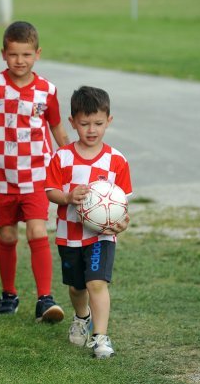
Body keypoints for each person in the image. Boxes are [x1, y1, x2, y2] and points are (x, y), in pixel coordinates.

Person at [0, 21, 69, 322]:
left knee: (37, 231)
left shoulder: (47, 90)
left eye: (26, 54)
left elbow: (56, 127)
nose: (20, 61)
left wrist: (68, 158)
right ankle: (9, 294)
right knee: (8, 235)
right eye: (14, 54)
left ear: (37, 53)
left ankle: (45, 299)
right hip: (2, 177)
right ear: (3, 54)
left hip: (38, 175)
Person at [45, 86, 132, 358]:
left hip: (101, 236)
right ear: (72, 123)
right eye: (84, 124)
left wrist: (122, 223)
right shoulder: (62, 157)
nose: (91, 130)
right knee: (77, 286)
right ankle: (82, 316)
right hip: (69, 234)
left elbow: (122, 204)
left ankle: (100, 337)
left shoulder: (117, 160)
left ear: (109, 121)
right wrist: (69, 197)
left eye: (98, 123)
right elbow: (51, 192)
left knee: (97, 283)